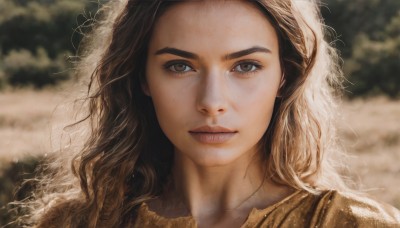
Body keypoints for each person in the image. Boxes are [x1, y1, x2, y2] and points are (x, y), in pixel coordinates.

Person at [18, 0, 400, 227]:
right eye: (180, 66)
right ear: (142, 78)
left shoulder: (356, 224)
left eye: (246, 66)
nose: (212, 101)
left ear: (285, 76)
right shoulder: (74, 223)